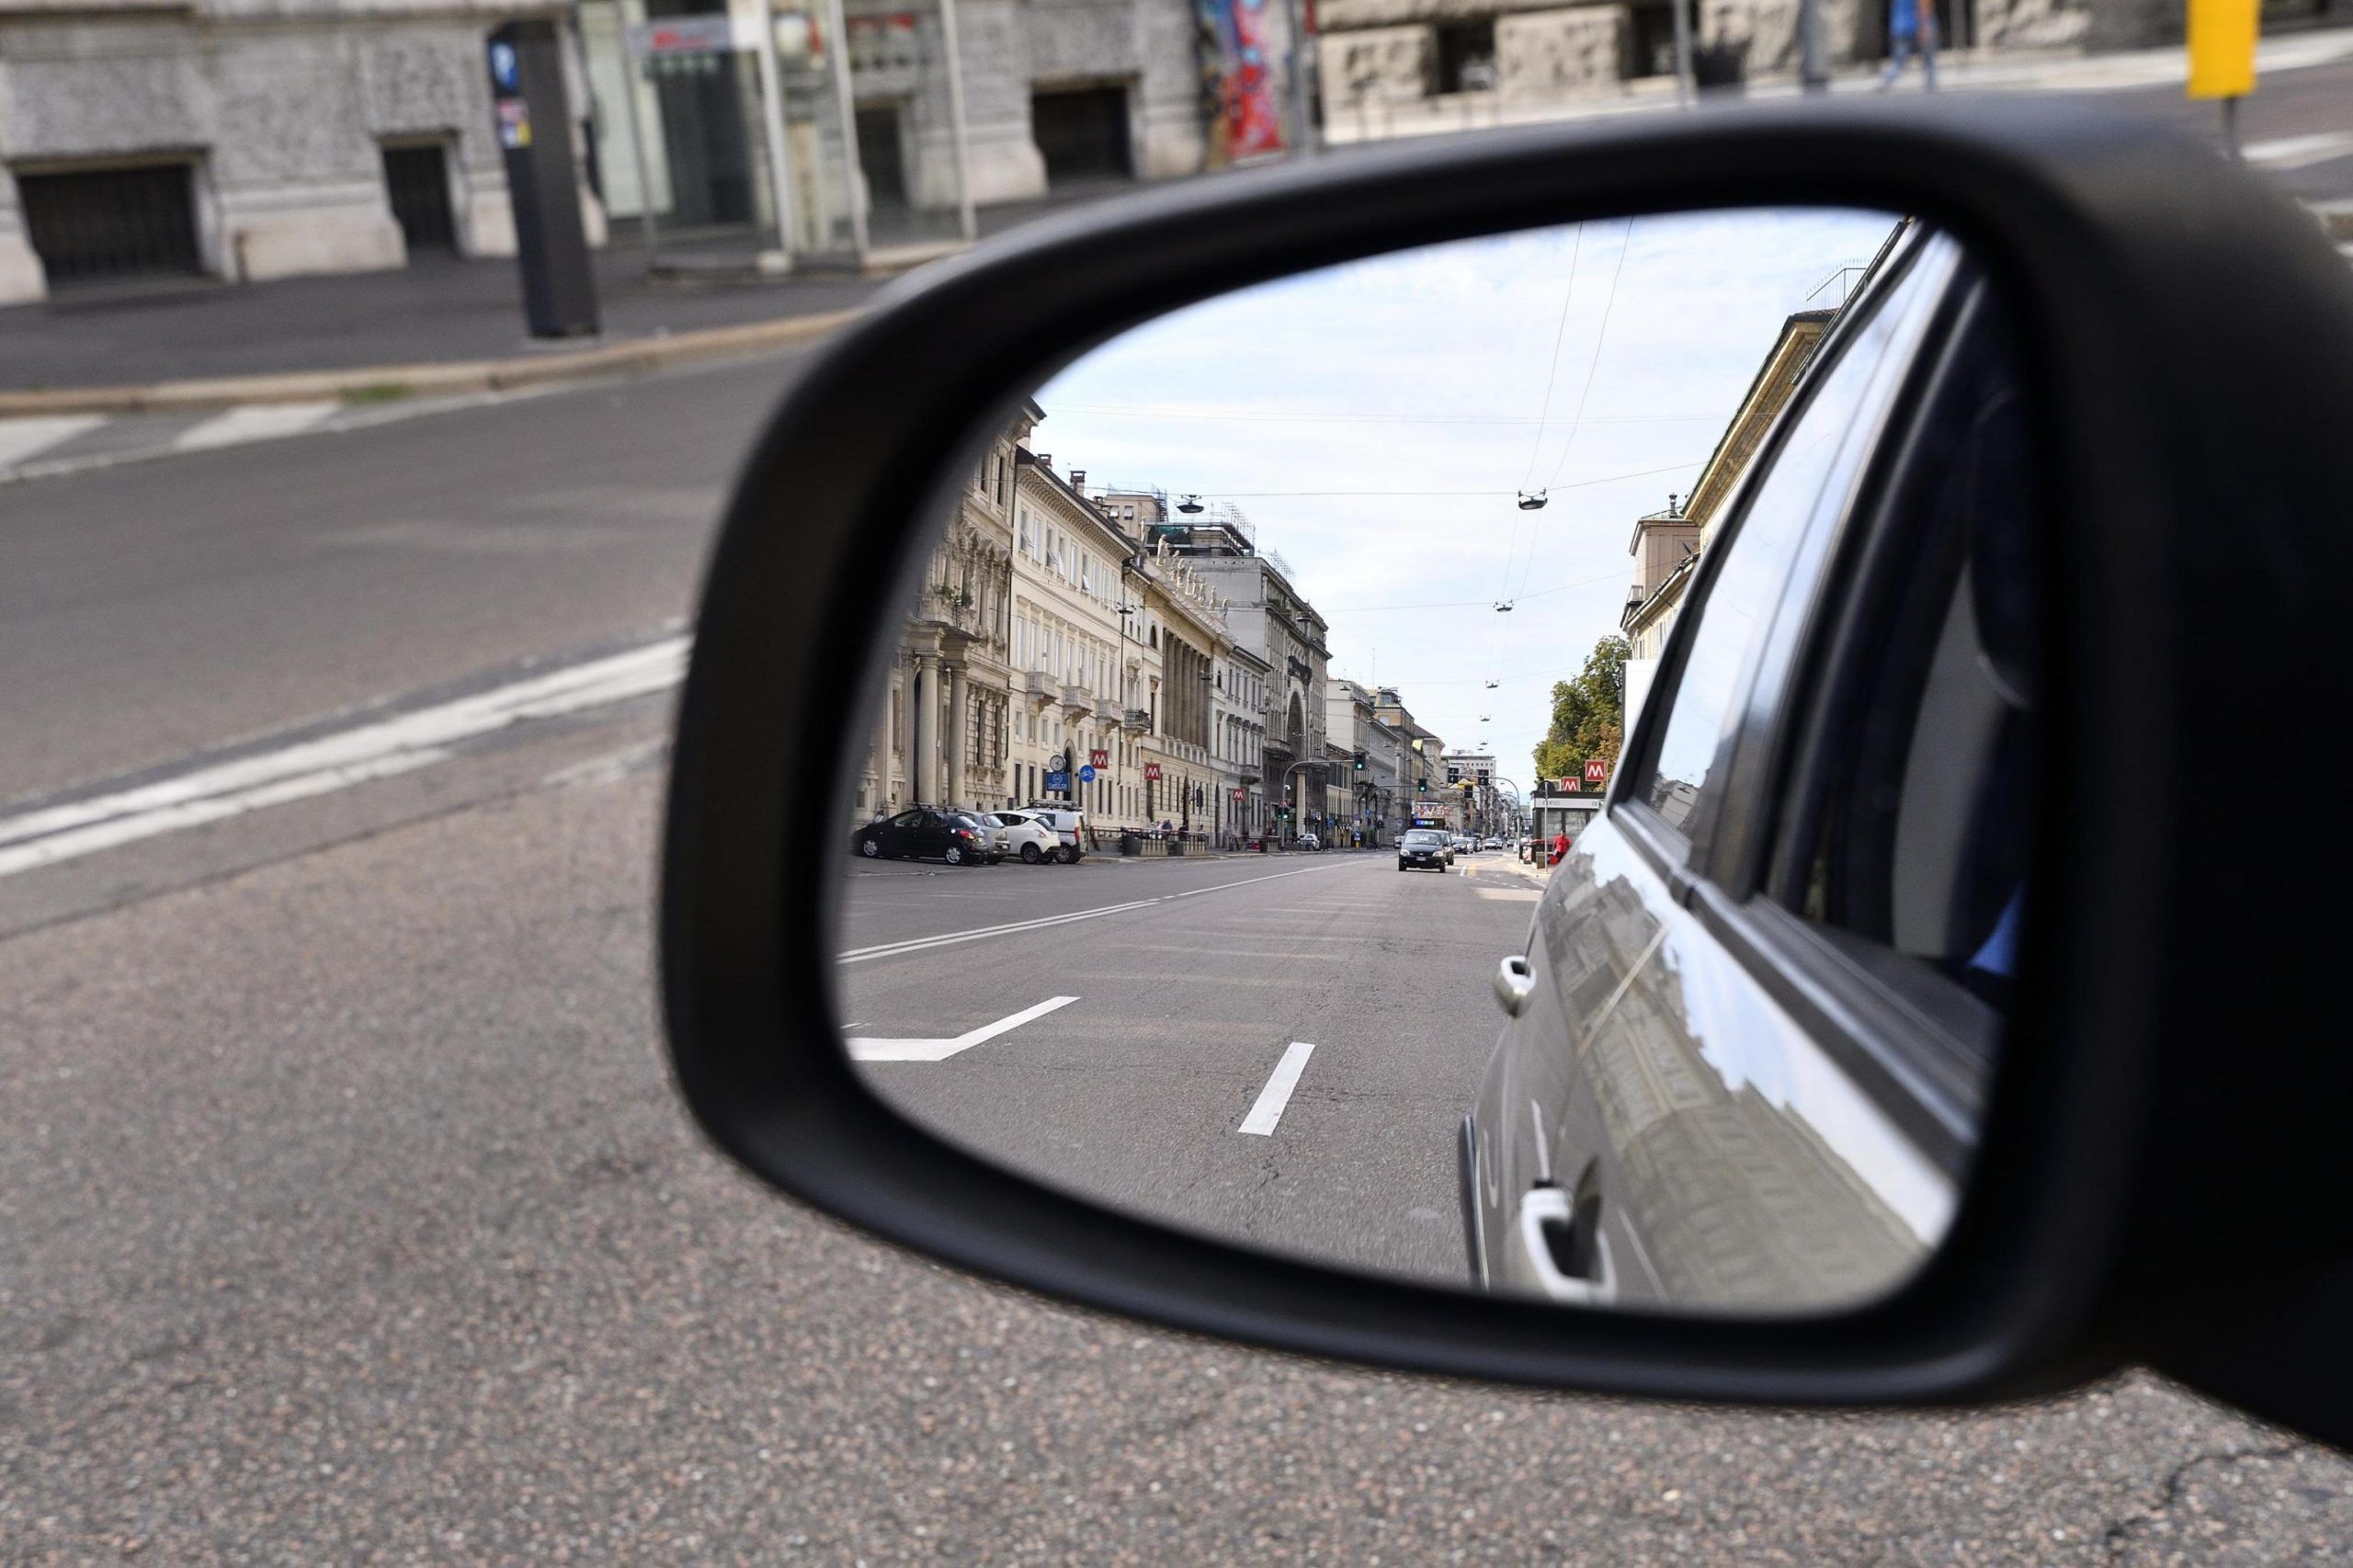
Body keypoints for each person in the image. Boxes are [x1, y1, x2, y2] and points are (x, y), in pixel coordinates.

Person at [1878, 0, 1938, 90]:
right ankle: (1930, 85)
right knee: (1928, 59)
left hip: (1900, 28)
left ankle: (1887, 81)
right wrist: (1924, 26)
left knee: (1898, 60)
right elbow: (1924, 6)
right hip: (1918, 26)